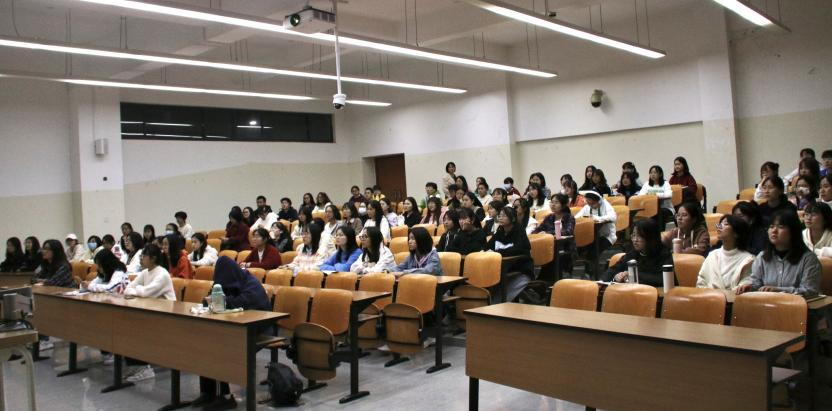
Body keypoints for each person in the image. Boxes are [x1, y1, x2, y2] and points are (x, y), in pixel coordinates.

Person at [192, 256, 270, 409]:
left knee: (219, 347)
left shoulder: (251, 284)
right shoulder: (224, 280)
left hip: (257, 328)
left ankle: (226, 396)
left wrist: (220, 301)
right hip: (235, 326)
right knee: (206, 343)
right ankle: (208, 393)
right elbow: (210, 299)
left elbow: (242, 302)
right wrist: (210, 300)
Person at [123, 243, 177, 382]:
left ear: (153, 258)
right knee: (125, 328)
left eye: (144, 256)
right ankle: (136, 366)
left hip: (166, 316)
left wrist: (138, 291)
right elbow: (128, 289)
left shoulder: (162, 274)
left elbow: (146, 293)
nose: (141, 258)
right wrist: (139, 291)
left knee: (136, 330)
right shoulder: (145, 272)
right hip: (150, 311)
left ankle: (145, 369)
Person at [736, 210, 821, 297]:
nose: (774, 230)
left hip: (797, 305)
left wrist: (779, 290)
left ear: (793, 231)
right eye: (771, 226)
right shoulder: (762, 256)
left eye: (781, 227)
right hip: (767, 303)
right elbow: (756, 284)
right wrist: (750, 287)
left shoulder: (808, 259)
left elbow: (810, 290)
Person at [606, 219, 674, 286]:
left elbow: (662, 279)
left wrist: (634, 275)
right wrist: (616, 277)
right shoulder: (632, 253)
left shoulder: (664, 254)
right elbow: (613, 270)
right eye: (633, 235)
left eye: (639, 236)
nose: (635, 240)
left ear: (651, 237)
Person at [696, 215, 755, 290]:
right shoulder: (712, 255)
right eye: (720, 224)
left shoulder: (748, 259)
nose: (719, 227)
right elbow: (701, 281)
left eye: (725, 224)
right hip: (709, 296)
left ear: (736, 233)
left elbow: (745, 284)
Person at [488, 207, 534, 301]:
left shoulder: (519, 231)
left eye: (504, 216)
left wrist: (497, 253)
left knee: (499, 299)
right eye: (499, 215)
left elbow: (518, 249)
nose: (500, 218)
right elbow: (488, 246)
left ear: (512, 219)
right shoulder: (500, 231)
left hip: (520, 269)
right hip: (503, 269)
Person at [534, 193, 576, 273]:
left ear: (563, 205)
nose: (553, 205)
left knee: (553, 256)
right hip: (548, 246)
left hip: (565, 247)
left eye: (556, 202)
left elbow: (568, 231)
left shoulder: (569, 217)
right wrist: (534, 234)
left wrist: (547, 233)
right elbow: (538, 229)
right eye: (552, 202)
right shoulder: (549, 217)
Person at [575, 191, 618, 264]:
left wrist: (597, 218)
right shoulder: (587, 207)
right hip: (592, 236)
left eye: (593, 204)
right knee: (580, 247)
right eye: (589, 203)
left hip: (607, 236)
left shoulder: (606, 205)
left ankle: (594, 269)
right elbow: (576, 218)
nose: (591, 206)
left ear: (599, 201)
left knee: (593, 251)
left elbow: (613, 217)